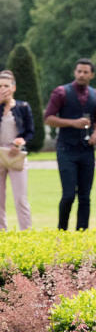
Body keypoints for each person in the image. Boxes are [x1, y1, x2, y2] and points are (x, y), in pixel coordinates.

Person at [44, 58, 96, 231]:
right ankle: (62, 233)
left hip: (87, 151)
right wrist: (73, 123)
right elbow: (49, 118)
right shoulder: (61, 92)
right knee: (68, 195)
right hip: (66, 150)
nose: (81, 74)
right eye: (79, 71)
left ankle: (81, 235)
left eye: (85, 72)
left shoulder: (95, 95)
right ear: (75, 72)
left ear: (92, 75)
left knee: (85, 197)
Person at [0, 70, 34, 230]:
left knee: (21, 198)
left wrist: (21, 141)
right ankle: (0, 232)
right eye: (0, 86)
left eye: (6, 86)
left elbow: (30, 131)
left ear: (13, 88)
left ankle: (26, 232)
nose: (3, 89)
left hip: (16, 154)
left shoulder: (23, 106)